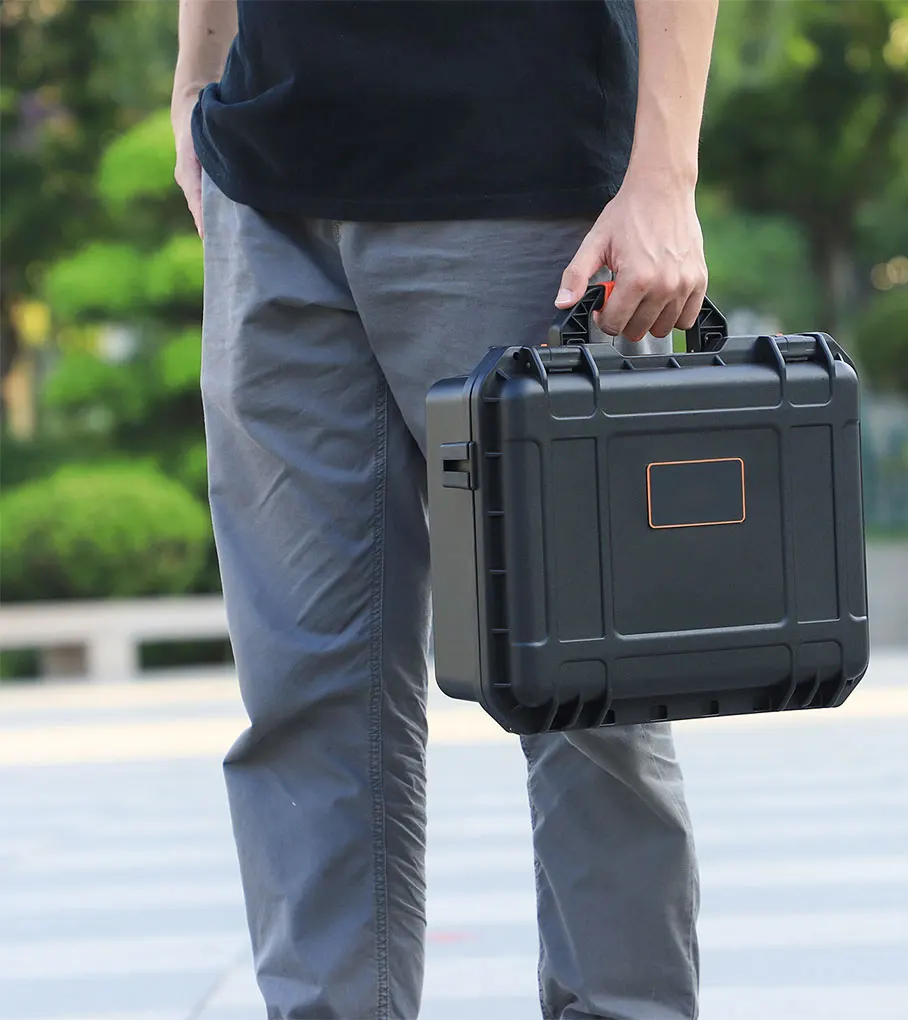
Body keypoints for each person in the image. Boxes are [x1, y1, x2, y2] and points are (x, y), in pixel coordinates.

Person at [172, 2, 717, 1017]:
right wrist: (195, 77)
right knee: (304, 692)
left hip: (528, 188)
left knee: (588, 693)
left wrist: (664, 175)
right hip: (270, 183)